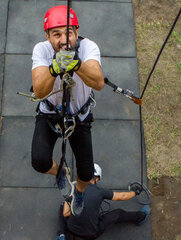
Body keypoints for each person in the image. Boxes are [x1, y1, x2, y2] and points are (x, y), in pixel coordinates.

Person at [31, 5, 104, 216]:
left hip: (79, 117)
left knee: (86, 170)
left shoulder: (88, 47)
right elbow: (39, 90)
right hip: (50, 113)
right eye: (56, 34)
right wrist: (54, 69)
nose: (64, 40)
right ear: (47, 36)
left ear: (77, 33)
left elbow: (98, 82)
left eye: (68, 33)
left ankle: (78, 192)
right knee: (40, 160)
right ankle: (61, 174)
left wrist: (77, 64)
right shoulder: (42, 50)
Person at [55, 163, 150, 240]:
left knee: (63, 206)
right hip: (90, 234)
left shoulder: (73, 187)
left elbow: (65, 213)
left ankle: (61, 235)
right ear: (96, 178)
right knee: (118, 214)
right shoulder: (100, 192)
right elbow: (122, 196)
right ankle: (141, 217)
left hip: (71, 228)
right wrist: (135, 192)